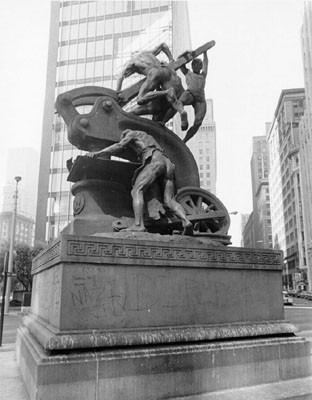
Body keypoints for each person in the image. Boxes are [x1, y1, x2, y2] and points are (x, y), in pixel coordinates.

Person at [86, 129, 193, 235]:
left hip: (154, 160)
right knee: (169, 200)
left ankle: (138, 225)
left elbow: (119, 146)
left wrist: (97, 153)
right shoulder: (148, 137)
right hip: (167, 163)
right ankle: (185, 221)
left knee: (137, 190)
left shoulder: (131, 134)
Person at [116, 43, 188, 131]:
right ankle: (182, 111)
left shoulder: (131, 63)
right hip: (165, 69)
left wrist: (117, 92)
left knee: (140, 99)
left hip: (154, 73)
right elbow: (163, 46)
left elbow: (120, 77)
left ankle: (166, 92)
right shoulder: (147, 53)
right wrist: (171, 59)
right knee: (172, 99)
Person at [179, 51, 208, 143]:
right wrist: (186, 55)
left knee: (198, 123)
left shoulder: (203, 75)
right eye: (195, 65)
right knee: (179, 101)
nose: (197, 67)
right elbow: (180, 63)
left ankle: (184, 141)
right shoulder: (188, 73)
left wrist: (205, 53)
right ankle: (183, 116)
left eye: (199, 65)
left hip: (200, 100)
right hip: (190, 94)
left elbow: (206, 62)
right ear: (192, 66)